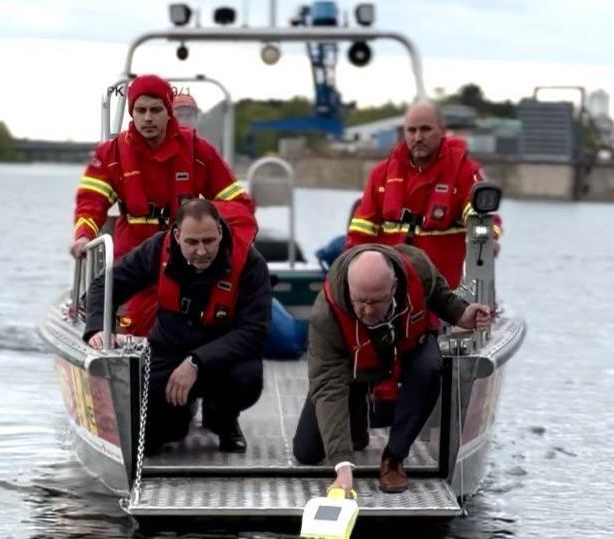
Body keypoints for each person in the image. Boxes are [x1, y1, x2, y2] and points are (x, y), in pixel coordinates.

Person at [292, 243, 492, 494]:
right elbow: (327, 384)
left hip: (406, 351)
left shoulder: (418, 268)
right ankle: (357, 414)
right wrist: (342, 467)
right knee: (306, 451)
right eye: (359, 302)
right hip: (356, 368)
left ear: (394, 287)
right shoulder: (326, 314)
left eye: (375, 302)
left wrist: (463, 314)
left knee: (429, 367)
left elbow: (442, 297)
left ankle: (394, 457)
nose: (366, 310)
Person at [71, 74, 255, 336]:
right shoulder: (111, 155)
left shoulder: (199, 152)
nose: (148, 117)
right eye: (141, 110)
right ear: (131, 113)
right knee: (133, 326)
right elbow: (92, 201)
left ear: (169, 112)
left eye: (156, 110)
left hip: (188, 258)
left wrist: (208, 236)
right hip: (133, 260)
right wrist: (83, 236)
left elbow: (237, 205)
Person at [84, 199, 271, 454]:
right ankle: (180, 414)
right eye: (192, 242)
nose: (202, 251)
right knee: (149, 441)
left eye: (208, 241)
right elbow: (104, 286)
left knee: (247, 378)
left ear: (219, 232)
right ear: (177, 236)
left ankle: (223, 418)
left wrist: (196, 362)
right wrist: (97, 327)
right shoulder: (157, 249)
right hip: (168, 351)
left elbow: (254, 332)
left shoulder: (250, 262)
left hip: (222, 357)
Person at [345, 101, 502, 289]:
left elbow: (481, 216)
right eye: (411, 131)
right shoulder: (382, 174)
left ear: (442, 130)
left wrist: (487, 239)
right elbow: (361, 231)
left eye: (425, 129)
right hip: (391, 290)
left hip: (443, 293)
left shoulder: (465, 172)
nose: (418, 137)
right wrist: (351, 269)